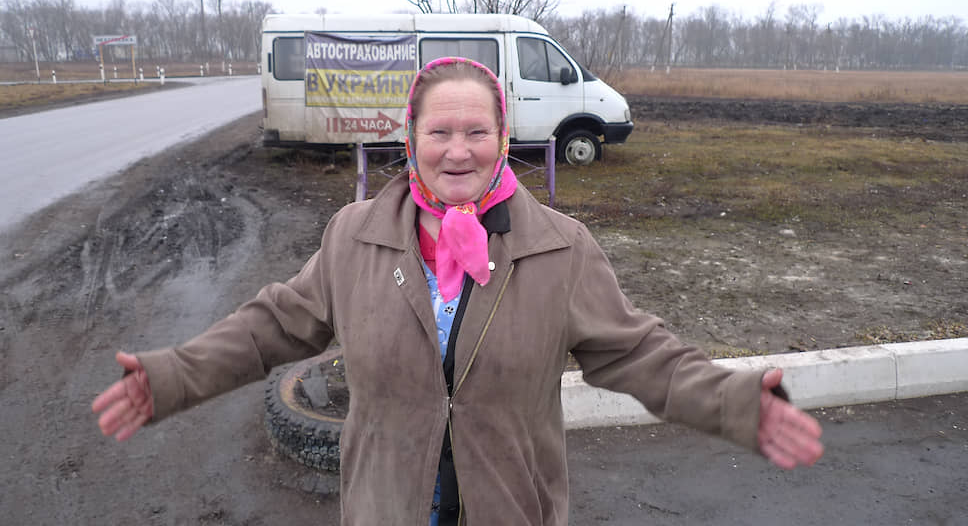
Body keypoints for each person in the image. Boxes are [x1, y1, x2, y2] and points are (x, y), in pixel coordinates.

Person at [93, 57, 823, 525]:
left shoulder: (559, 248)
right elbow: (273, 325)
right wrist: (174, 376)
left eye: (477, 132)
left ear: (504, 140)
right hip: (387, 508)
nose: (458, 150)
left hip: (510, 507)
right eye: (439, 132)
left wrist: (735, 401)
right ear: (410, 141)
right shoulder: (355, 236)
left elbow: (640, 355)